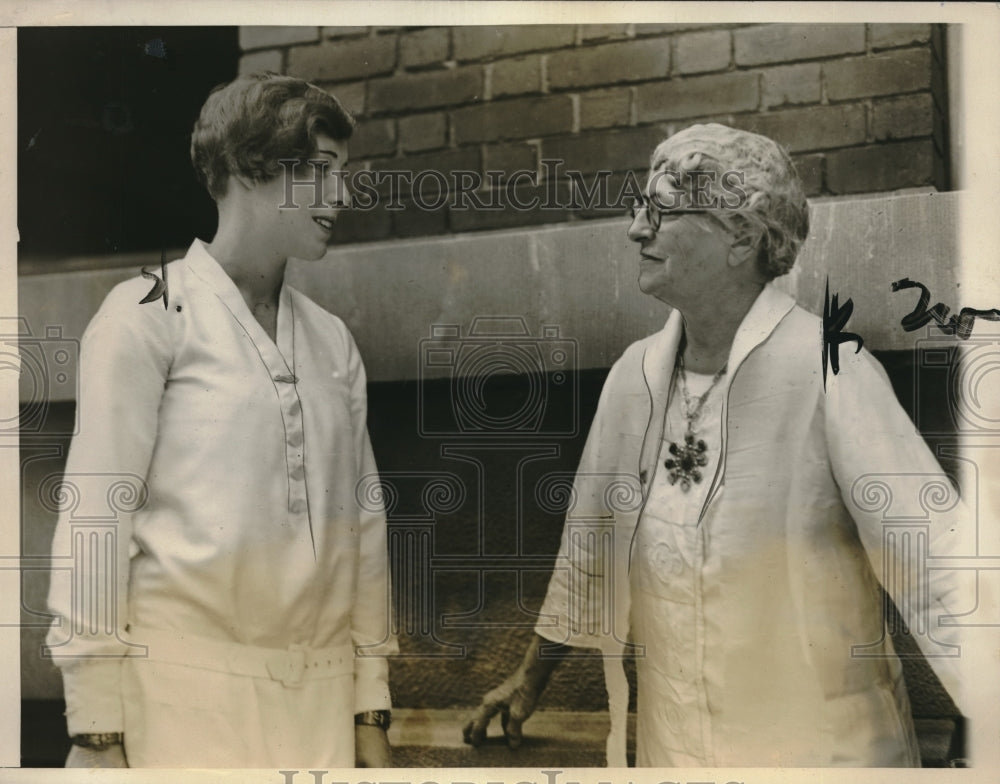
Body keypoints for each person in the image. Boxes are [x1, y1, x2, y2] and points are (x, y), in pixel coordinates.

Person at [463, 123, 972, 767]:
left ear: (741, 236)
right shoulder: (633, 377)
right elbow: (590, 545)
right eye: (640, 208)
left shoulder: (829, 369)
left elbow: (938, 565)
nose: (636, 230)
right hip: (677, 752)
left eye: (663, 210)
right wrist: (531, 677)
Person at [45, 72, 397, 768]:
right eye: (320, 171)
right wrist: (96, 727)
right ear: (249, 167)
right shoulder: (147, 316)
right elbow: (95, 519)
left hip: (318, 711)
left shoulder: (331, 342)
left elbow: (363, 530)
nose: (342, 195)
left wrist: (369, 705)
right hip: (177, 707)